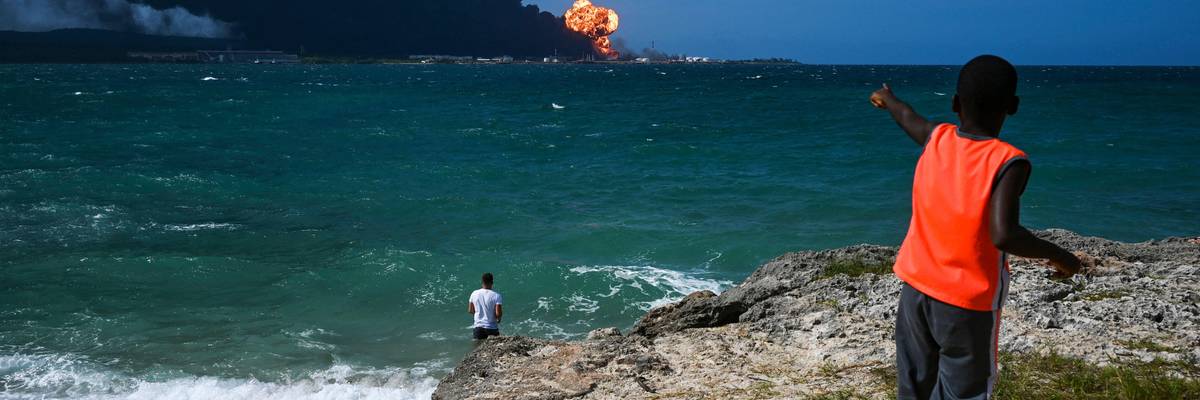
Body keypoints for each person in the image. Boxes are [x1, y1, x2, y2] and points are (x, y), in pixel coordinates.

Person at [871, 55, 1084, 399]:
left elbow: (907, 117)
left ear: (955, 103)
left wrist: (888, 98)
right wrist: (1062, 257)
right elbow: (1004, 234)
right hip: (966, 303)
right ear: (1013, 106)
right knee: (965, 390)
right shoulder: (1008, 160)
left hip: (915, 289)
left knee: (914, 384)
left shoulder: (936, 138)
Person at [468, 272, 503, 340]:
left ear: (482, 282)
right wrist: (498, 319)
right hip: (491, 328)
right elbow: (498, 313)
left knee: (478, 349)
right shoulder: (496, 295)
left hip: (478, 327)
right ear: (492, 282)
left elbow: (470, 310)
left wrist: (479, 314)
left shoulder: (474, 293)